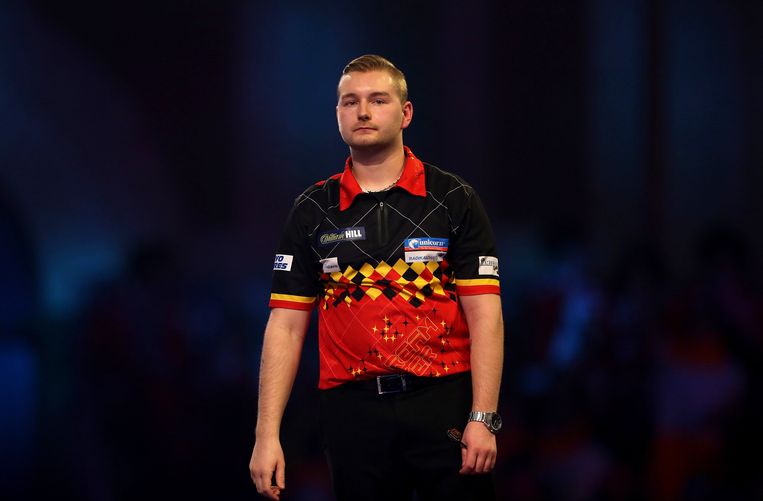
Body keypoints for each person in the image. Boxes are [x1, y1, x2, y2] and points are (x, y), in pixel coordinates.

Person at [249, 54, 504, 501]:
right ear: (337, 114)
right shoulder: (312, 210)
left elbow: (486, 315)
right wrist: (266, 434)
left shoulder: (453, 198)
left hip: (444, 400)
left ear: (406, 113)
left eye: (378, 100)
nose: (363, 112)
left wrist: (483, 418)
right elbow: (285, 326)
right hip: (352, 411)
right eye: (350, 102)